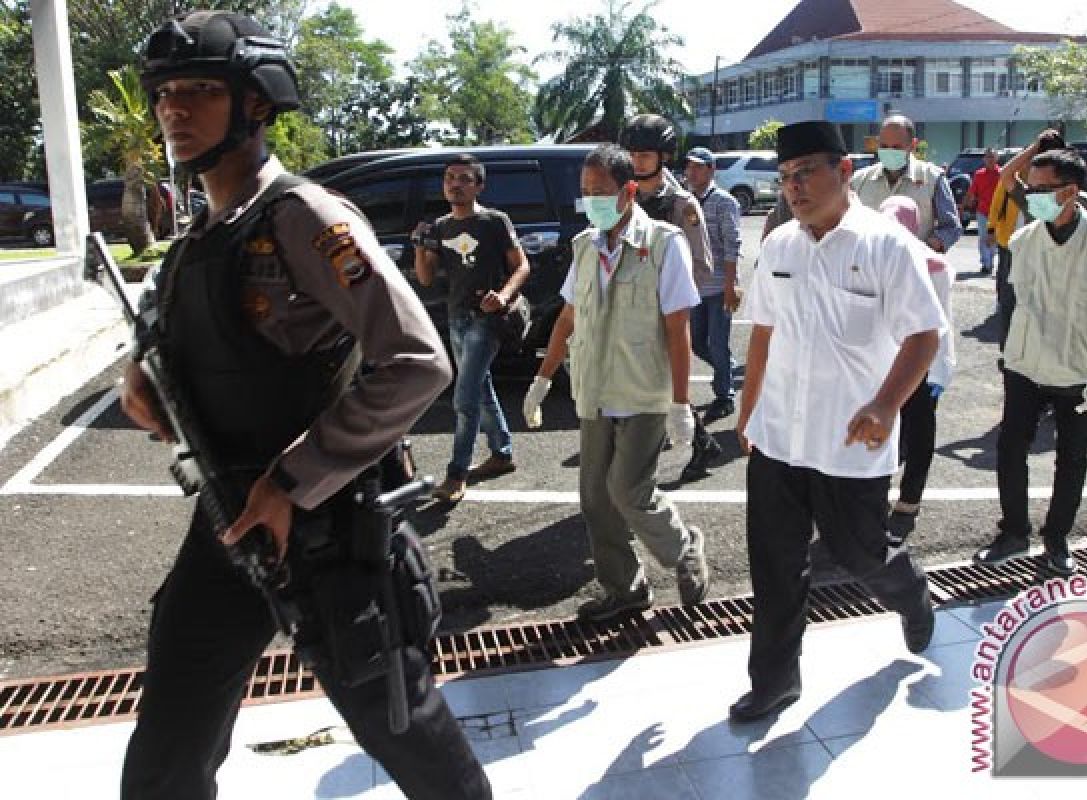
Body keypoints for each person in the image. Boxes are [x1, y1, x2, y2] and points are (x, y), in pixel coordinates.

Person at [119, 11, 491, 799]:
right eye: (164, 95)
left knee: (402, 723)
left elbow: (420, 363)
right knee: (169, 745)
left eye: (198, 91)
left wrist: (293, 482)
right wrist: (145, 383)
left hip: (327, 526)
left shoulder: (304, 219)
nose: (173, 111)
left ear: (255, 103)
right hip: (230, 515)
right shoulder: (198, 240)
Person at [730, 122, 944, 723]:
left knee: (860, 555)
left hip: (850, 439)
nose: (793, 189)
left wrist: (885, 404)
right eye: (784, 178)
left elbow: (923, 335)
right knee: (774, 565)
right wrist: (748, 411)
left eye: (805, 175)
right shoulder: (779, 246)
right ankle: (774, 682)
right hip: (778, 435)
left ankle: (912, 593)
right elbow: (762, 336)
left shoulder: (885, 245)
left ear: (844, 171)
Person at [522, 143, 710, 623]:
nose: (592, 201)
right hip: (594, 392)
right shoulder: (585, 246)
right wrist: (542, 380)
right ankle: (625, 589)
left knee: (627, 490)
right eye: (585, 193)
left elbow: (677, 327)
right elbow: (567, 316)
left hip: (643, 393)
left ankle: (684, 549)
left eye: (601, 192)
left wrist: (680, 404)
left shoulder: (665, 244)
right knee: (596, 501)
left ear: (629, 191)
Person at [974, 148, 1087, 575]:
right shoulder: (1024, 241)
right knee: (1011, 449)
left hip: (1080, 370)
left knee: (1072, 457)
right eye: (1029, 188)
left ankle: (1057, 540)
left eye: (1041, 189)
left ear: (1070, 191)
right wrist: (1008, 353)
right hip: (1025, 366)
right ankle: (1013, 532)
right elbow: (1009, 303)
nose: (1031, 197)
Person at [412, 154, 530, 504]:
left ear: (479, 185)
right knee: (481, 388)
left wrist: (504, 296)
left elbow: (522, 266)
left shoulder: (494, 221)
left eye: (465, 178)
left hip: (487, 320)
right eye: (450, 178)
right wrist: (420, 247)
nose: (456, 184)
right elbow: (426, 277)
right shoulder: (440, 227)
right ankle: (502, 453)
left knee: (464, 398)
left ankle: (456, 473)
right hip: (456, 316)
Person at [618, 113, 722, 481]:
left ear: (663, 156)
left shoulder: (682, 205)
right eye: (632, 154)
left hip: (667, 309)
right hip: (629, 306)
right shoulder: (623, 197)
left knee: (663, 382)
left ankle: (694, 443)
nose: (637, 162)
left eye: (645, 154)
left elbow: (701, 264)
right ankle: (699, 442)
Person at [877, 196, 956, 543]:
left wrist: (941, 370)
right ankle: (875, 496)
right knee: (883, 432)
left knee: (918, 432)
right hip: (883, 361)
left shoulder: (932, 264)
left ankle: (909, 499)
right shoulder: (877, 258)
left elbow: (942, 322)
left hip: (920, 363)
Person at [988, 128, 1067, 347]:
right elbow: (1006, 174)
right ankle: (1011, 355)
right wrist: (1035, 147)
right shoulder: (1033, 200)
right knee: (1011, 307)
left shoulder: (1075, 201)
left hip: (1056, 267)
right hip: (1018, 256)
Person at [683, 146, 743, 424]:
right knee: (696, 343)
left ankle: (725, 396)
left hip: (719, 287)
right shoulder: (686, 201)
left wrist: (731, 284)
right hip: (695, 287)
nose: (691, 172)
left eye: (698, 167)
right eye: (689, 166)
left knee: (718, 343)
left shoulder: (724, 202)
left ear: (710, 170)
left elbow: (732, 245)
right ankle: (726, 369)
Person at [851, 113, 962, 254]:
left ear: (912, 145)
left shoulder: (932, 178)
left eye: (896, 147)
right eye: (884, 146)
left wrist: (927, 248)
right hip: (868, 268)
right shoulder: (859, 180)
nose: (889, 152)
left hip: (914, 268)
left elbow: (951, 227)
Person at [964, 148, 1001, 274]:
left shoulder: (1002, 173)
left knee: (995, 238)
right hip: (983, 211)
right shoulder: (979, 174)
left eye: (992, 157)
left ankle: (991, 260)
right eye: (988, 157)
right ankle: (986, 264)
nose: (990, 159)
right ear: (984, 159)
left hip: (999, 212)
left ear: (997, 158)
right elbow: (972, 192)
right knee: (984, 237)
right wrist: (966, 205)